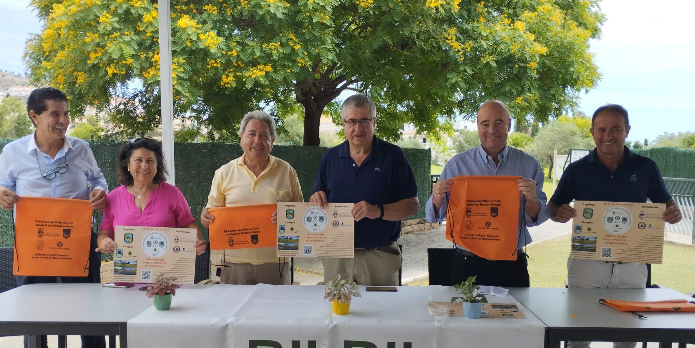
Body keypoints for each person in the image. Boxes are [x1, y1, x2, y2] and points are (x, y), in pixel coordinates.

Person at [547, 103, 683, 348]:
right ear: (593, 133)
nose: (608, 136)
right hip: (586, 263)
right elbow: (554, 206)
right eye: (602, 129)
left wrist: (672, 211)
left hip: (632, 262)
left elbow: (666, 203)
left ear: (627, 130)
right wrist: (559, 212)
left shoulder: (646, 167)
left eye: (615, 129)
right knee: (579, 333)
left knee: (629, 334)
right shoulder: (578, 170)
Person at [0, 87, 112, 348]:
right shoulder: (13, 152)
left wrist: (99, 192)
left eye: (66, 113)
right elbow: (1, 188)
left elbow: (99, 180)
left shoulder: (81, 149)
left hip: (78, 242)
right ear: (35, 116)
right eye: (55, 114)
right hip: (34, 246)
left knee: (90, 316)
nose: (63, 120)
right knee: (34, 319)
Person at [424, 100, 548, 287]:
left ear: (509, 124)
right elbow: (433, 217)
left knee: (516, 316)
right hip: (467, 263)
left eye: (498, 122)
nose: (492, 129)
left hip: (512, 265)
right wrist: (437, 198)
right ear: (478, 126)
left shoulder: (529, 165)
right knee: (465, 316)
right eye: (485, 124)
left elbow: (535, 219)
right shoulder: (457, 165)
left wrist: (532, 199)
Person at [310, 93, 419, 286]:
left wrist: (378, 211)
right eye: (352, 121)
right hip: (337, 257)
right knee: (336, 314)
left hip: (379, 257)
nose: (358, 128)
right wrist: (315, 200)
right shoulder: (330, 158)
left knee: (380, 314)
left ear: (374, 122)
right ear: (343, 123)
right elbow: (319, 201)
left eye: (364, 121)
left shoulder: (393, 156)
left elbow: (412, 205)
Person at [200, 111, 303, 284]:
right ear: (241, 138)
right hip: (233, 265)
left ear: (272, 141)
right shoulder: (224, 173)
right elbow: (212, 214)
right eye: (252, 134)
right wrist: (206, 217)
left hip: (277, 264)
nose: (257, 140)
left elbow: (301, 213)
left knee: (275, 312)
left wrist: (290, 214)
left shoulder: (287, 171)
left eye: (264, 135)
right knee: (234, 312)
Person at [95, 137, 206, 256]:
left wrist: (196, 243)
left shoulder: (172, 193)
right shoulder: (114, 197)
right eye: (138, 160)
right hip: (129, 270)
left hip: (167, 270)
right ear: (127, 164)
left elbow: (189, 225)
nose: (144, 166)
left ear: (157, 165)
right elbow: (104, 233)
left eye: (150, 161)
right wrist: (104, 242)